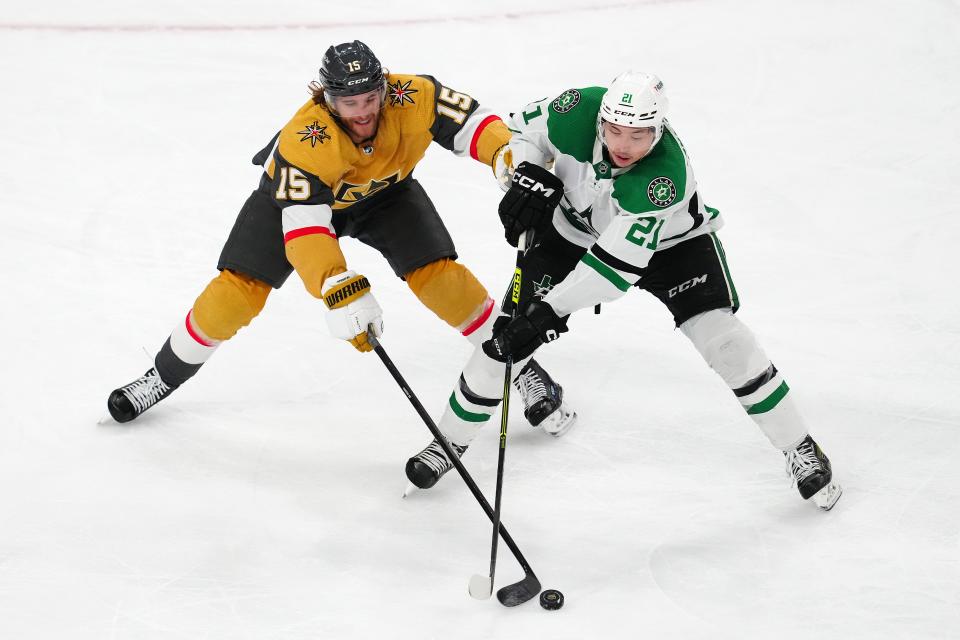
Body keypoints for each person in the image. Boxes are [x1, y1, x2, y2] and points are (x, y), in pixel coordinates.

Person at [410, 71, 842, 511]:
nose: (623, 144)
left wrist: (547, 314)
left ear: (658, 131)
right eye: (614, 130)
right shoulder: (574, 110)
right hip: (571, 229)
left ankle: (799, 446)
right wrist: (525, 174)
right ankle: (449, 442)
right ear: (600, 120)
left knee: (727, 343)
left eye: (638, 136)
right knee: (503, 340)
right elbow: (520, 130)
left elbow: (611, 272)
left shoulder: (663, 180)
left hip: (674, 247)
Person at [106, 40, 573, 434]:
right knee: (236, 294)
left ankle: (522, 368)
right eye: (349, 103)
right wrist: (337, 287)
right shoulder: (304, 139)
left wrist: (506, 157)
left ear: (384, 86)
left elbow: (475, 122)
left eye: (371, 98)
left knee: (440, 278)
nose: (363, 112)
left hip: (386, 193)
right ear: (326, 98)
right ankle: (162, 377)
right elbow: (307, 231)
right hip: (291, 208)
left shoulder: (414, 94)